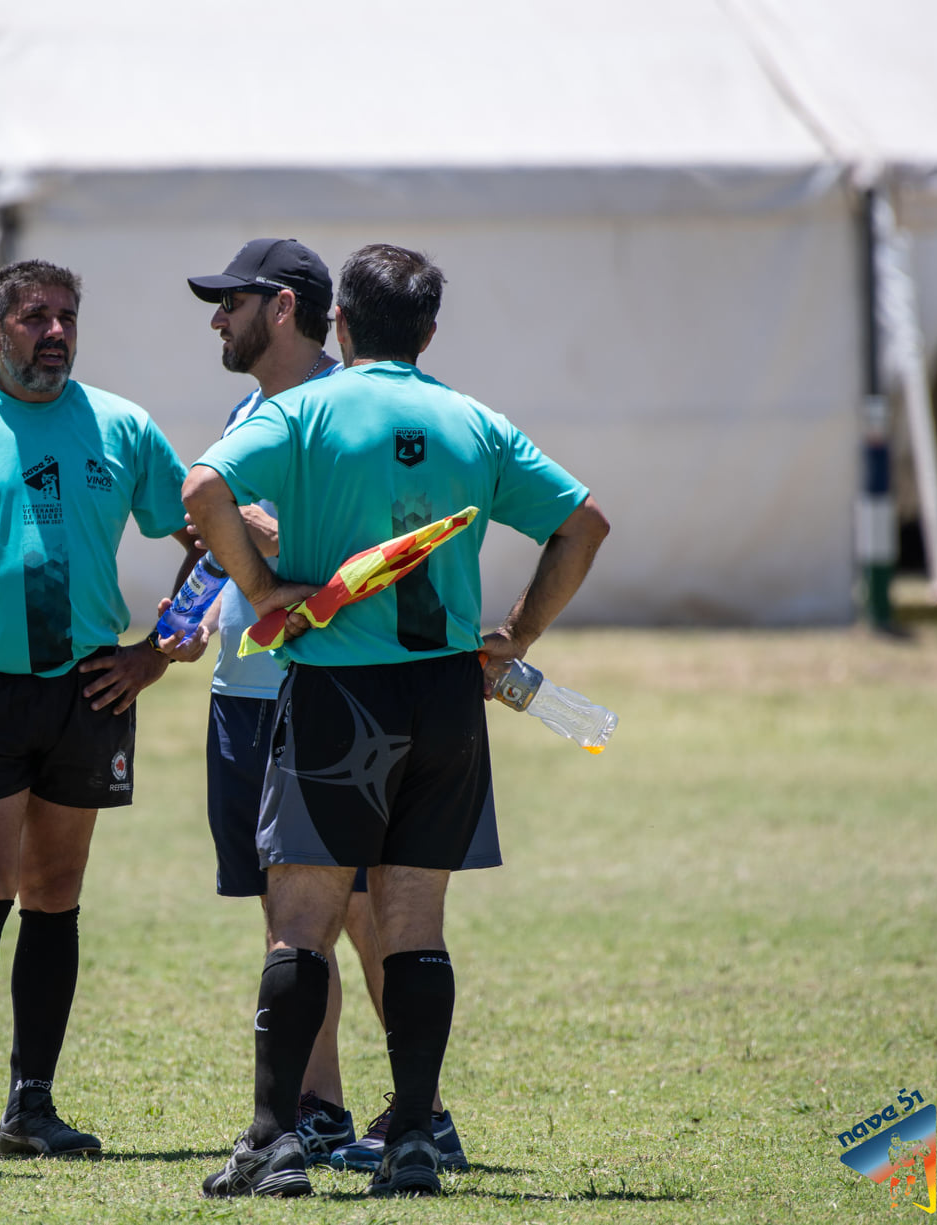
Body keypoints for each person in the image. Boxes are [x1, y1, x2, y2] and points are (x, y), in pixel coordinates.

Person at [184, 243, 610, 1198]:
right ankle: (412, 1139)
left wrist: (261, 588)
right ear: (427, 331)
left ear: (339, 325)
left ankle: (271, 1142)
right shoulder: (474, 420)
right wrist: (516, 632)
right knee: (415, 924)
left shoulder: (301, 411)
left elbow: (201, 490)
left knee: (299, 921)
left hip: (339, 693)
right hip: (446, 701)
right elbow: (582, 524)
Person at [170, 238, 497, 1175]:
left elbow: (218, 498)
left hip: (328, 686)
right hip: (263, 689)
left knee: (349, 914)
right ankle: (321, 1111)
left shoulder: (324, 406)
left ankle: (411, 1115)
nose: (215, 317)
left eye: (229, 302)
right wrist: (203, 604)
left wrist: (271, 563)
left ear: (291, 308)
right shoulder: (265, 407)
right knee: (311, 909)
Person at [0, 259, 200, 1161]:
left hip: (89, 689)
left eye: (66, 318)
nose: (54, 333)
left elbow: (207, 541)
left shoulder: (121, 426)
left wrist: (152, 653)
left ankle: (33, 1104)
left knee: (56, 893)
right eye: (34, 318)